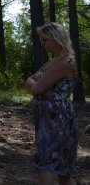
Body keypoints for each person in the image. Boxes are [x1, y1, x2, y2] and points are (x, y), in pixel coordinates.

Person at [25, 22, 78, 185]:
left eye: (44, 40)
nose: (42, 43)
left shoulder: (64, 63)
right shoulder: (53, 61)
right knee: (60, 166)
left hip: (55, 118)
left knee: (47, 164)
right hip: (50, 117)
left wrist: (38, 88)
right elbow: (29, 81)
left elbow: (35, 87)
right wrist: (38, 87)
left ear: (56, 40)